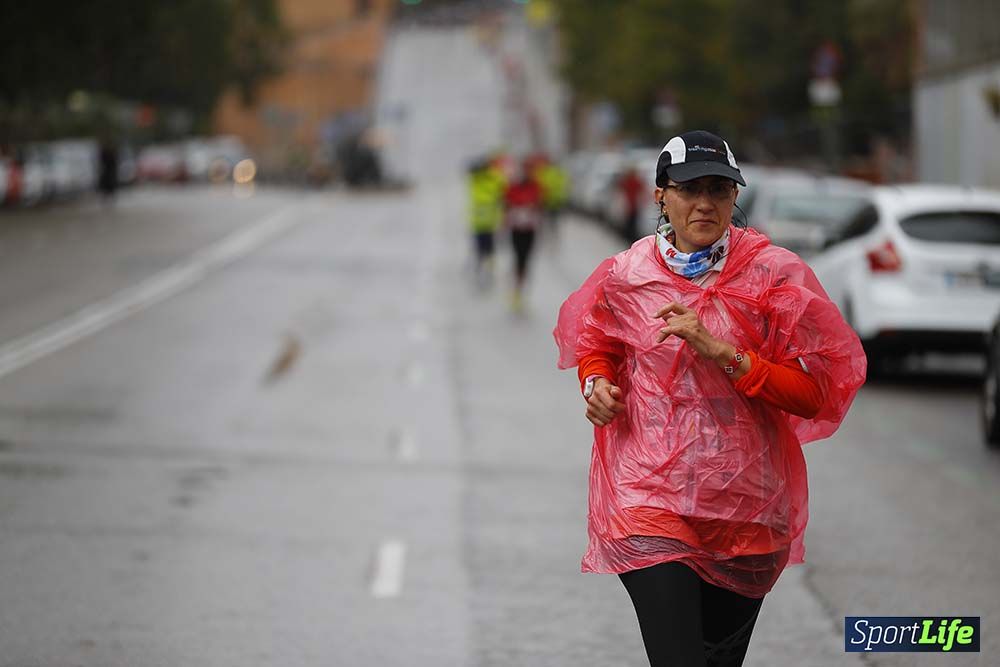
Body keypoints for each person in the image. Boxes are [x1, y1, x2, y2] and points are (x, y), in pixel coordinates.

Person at [553, 130, 866, 666]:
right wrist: (596, 382)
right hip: (649, 501)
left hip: (746, 511)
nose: (704, 203)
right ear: (660, 195)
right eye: (689, 188)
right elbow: (597, 342)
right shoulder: (627, 276)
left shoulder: (774, 277)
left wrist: (722, 350)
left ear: (735, 198)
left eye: (719, 190)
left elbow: (815, 394)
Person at [503, 158, 544, 313]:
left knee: (526, 260)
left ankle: (520, 285)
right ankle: (516, 288)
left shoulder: (536, 186)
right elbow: (506, 203)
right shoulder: (513, 187)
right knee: (518, 258)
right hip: (516, 229)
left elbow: (540, 204)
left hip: (529, 229)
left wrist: (533, 209)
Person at [466, 156, 506, 290]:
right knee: (485, 248)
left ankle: (485, 268)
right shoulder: (480, 179)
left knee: (485, 248)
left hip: (487, 221)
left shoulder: (483, 179)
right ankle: (484, 268)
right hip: (483, 221)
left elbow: (502, 186)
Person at [617, 163, 645, 244]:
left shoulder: (630, 181)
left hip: (632, 204)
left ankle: (628, 236)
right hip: (631, 204)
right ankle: (629, 237)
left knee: (630, 222)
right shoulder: (631, 181)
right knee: (630, 222)